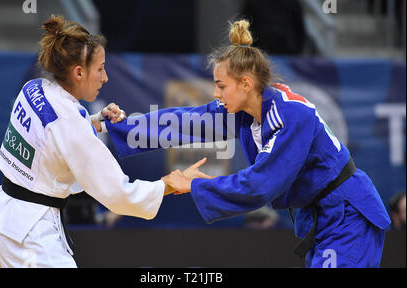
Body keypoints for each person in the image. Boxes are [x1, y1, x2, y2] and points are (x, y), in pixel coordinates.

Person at [104, 20, 392, 268]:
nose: (215, 94)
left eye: (221, 86)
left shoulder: (291, 116)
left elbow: (260, 185)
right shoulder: (245, 109)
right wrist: (121, 126)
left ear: (245, 83)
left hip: (347, 215)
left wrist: (195, 185)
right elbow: (186, 122)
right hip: (320, 215)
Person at [0, 15, 204, 268]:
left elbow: (53, 139)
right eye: (100, 68)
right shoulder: (69, 124)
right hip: (31, 241)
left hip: (3, 222)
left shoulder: (34, 89)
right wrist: (166, 185)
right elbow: (118, 194)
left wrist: (96, 120)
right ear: (78, 72)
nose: (105, 77)